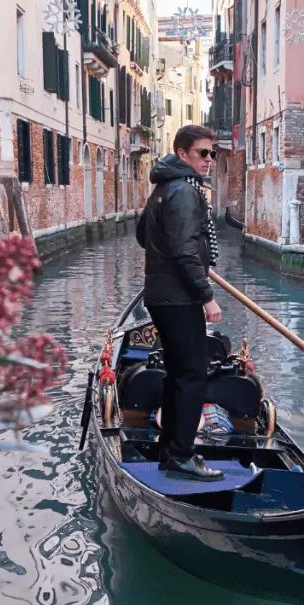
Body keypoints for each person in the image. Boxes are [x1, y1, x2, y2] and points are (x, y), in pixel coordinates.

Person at [135, 124, 225, 481]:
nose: (209, 160)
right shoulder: (186, 192)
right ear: (184, 153)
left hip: (160, 295)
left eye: (211, 153)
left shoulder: (161, 187)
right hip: (179, 297)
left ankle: (169, 451)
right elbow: (185, 249)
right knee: (192, 375)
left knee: (177, 374)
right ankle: (183, 456)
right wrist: (207, 296)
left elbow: (144, 235)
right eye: (203, 153)